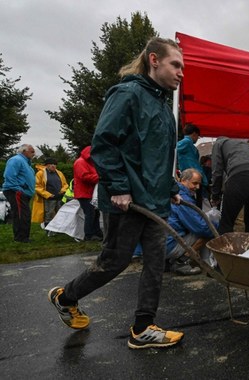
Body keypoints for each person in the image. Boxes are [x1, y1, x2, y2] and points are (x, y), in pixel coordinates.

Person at [47, 37, 185, 349]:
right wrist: (119, 187)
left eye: (182, 67)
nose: (181, 73)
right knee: (114, 261)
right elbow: (104, 144)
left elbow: (160, 156)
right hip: (129, 201)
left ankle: (143, 327)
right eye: (175, 65)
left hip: (155, 200)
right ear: (154, 60)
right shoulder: (128, 94)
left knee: (155, 261)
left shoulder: (164, 109)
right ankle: (65, 297)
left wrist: (172, 187)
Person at [210, 137, 249, 234]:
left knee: (226, 222)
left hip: (240, 172)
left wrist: (215, 196)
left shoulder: (218, 144)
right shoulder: (244, 144)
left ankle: (224, 247)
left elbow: (217, 172)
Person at [166, 168, 217, 276]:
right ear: (183, 180)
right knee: (208, 230)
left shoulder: (174, 193)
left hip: (161, 243)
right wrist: (219, 228)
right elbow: (201, 228)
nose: (197, 187)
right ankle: (181, 262)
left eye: (199, 184)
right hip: (169, 246)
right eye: (195, 183)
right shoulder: (182, 198)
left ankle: (168, 261)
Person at [2, 144, 36, 243]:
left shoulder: (26, 162)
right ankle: (21, 238)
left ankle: (23, 237)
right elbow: (9, 176)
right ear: (24, 151)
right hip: (16, 191)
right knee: (22, 214)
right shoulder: (16, 160)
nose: (33, 154)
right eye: (32, 151)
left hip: (23, 192)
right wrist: (18, 189)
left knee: (24, 214)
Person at [73, 146, 103, 241]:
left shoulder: (89, 162)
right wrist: (100, 177)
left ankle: (97, 232)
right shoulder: (80, 162)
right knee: (90, 213)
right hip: (84, 193)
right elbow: (84, 176)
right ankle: (89, 235)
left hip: (89, 193)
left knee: (95, 213)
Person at [32, 157, 69, 235]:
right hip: (49, 198)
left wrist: (62, 191)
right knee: (49, 214)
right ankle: (48, 230)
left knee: (60, 213)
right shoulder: (40, 173)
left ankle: (59, 229)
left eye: (55, 164)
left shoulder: (59, 173)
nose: (53, 166)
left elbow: (65, 184)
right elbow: (37, 186)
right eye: (51, 164)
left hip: (59, 197)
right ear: (46, 165)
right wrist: (48, 195)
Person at [177, 124, 208, 204]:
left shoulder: (189, 144)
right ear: (194, 134)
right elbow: (174, 149)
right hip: (191, 177)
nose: (197, 139)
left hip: (192, 177)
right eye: (198, 136)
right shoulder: (186, 142)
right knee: (196, 202)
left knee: (197, 201)